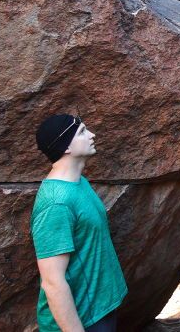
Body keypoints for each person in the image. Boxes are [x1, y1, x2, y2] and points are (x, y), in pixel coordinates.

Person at [31, 114, 128, 331]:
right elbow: (53, 282)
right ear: (65, 147)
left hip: (100, 309)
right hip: (82, 321)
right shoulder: (56, 203)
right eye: (83, 132)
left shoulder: (78, 182)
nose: (92, 135)